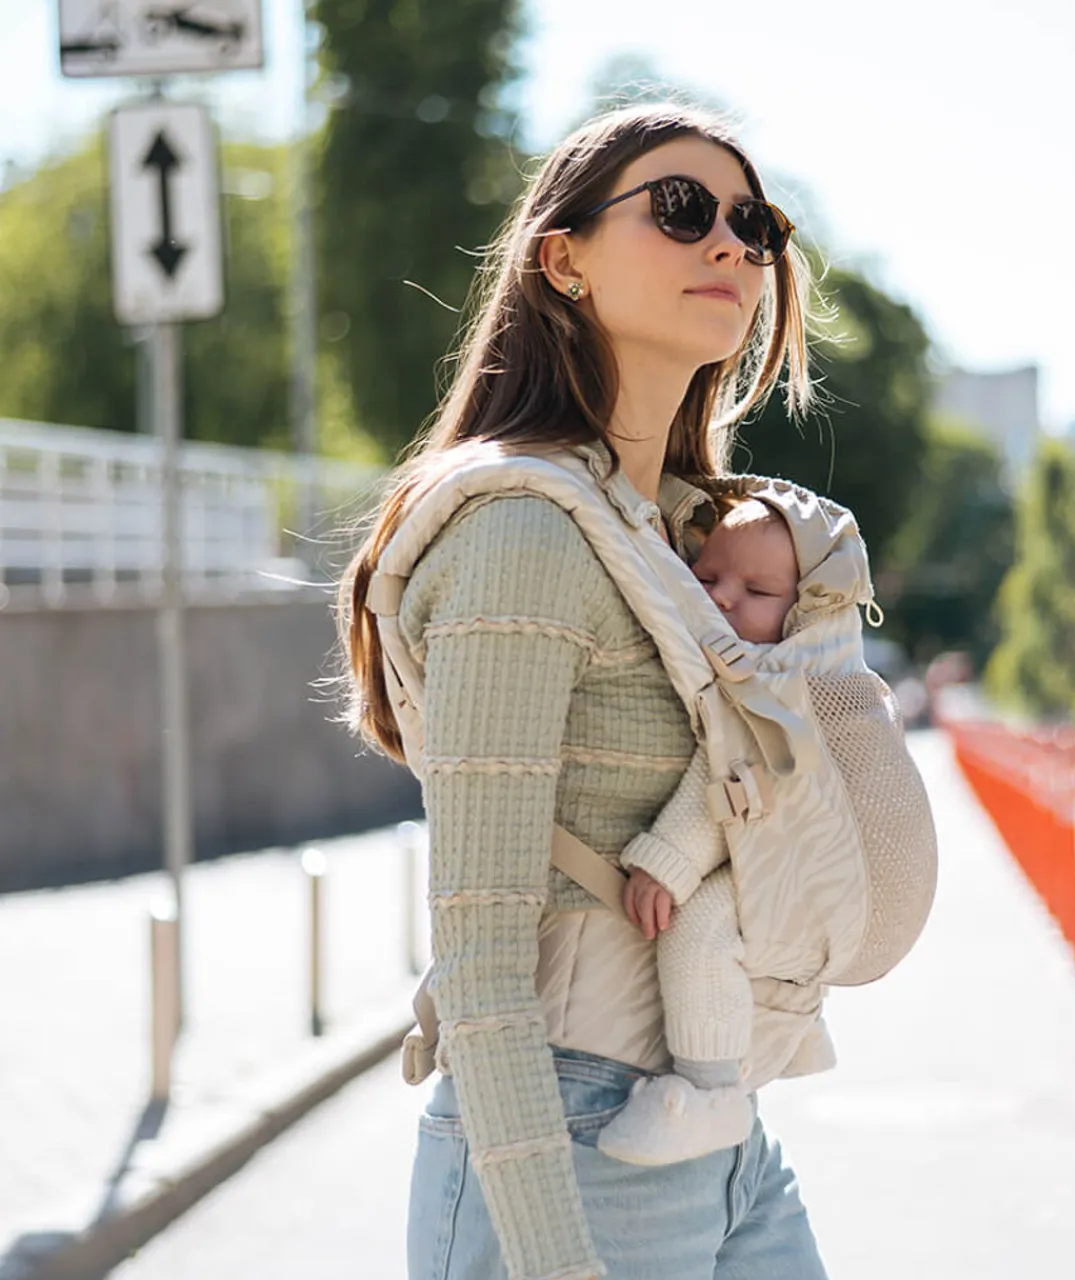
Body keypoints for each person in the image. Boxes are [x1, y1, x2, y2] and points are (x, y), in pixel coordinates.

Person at [339, 103, 829, 1280]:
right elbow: (481, 953)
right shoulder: (521, 529)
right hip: (565, 1138)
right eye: (680, 210)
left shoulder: (673, 539)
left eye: (751, 223)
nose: (730, 246)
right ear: (560, 259)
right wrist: (554, 1255)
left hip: (714, 1126)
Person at [598, 497, 806, 1168]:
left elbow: (736, 772)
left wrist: (667, 861)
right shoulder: (738, 663)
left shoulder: (781, 678)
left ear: (803, 609)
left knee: (700, 927)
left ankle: (709, 1093)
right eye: (709, 576)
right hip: (773, 864)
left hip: (792, 867)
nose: (722, 600)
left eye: (757, 591)